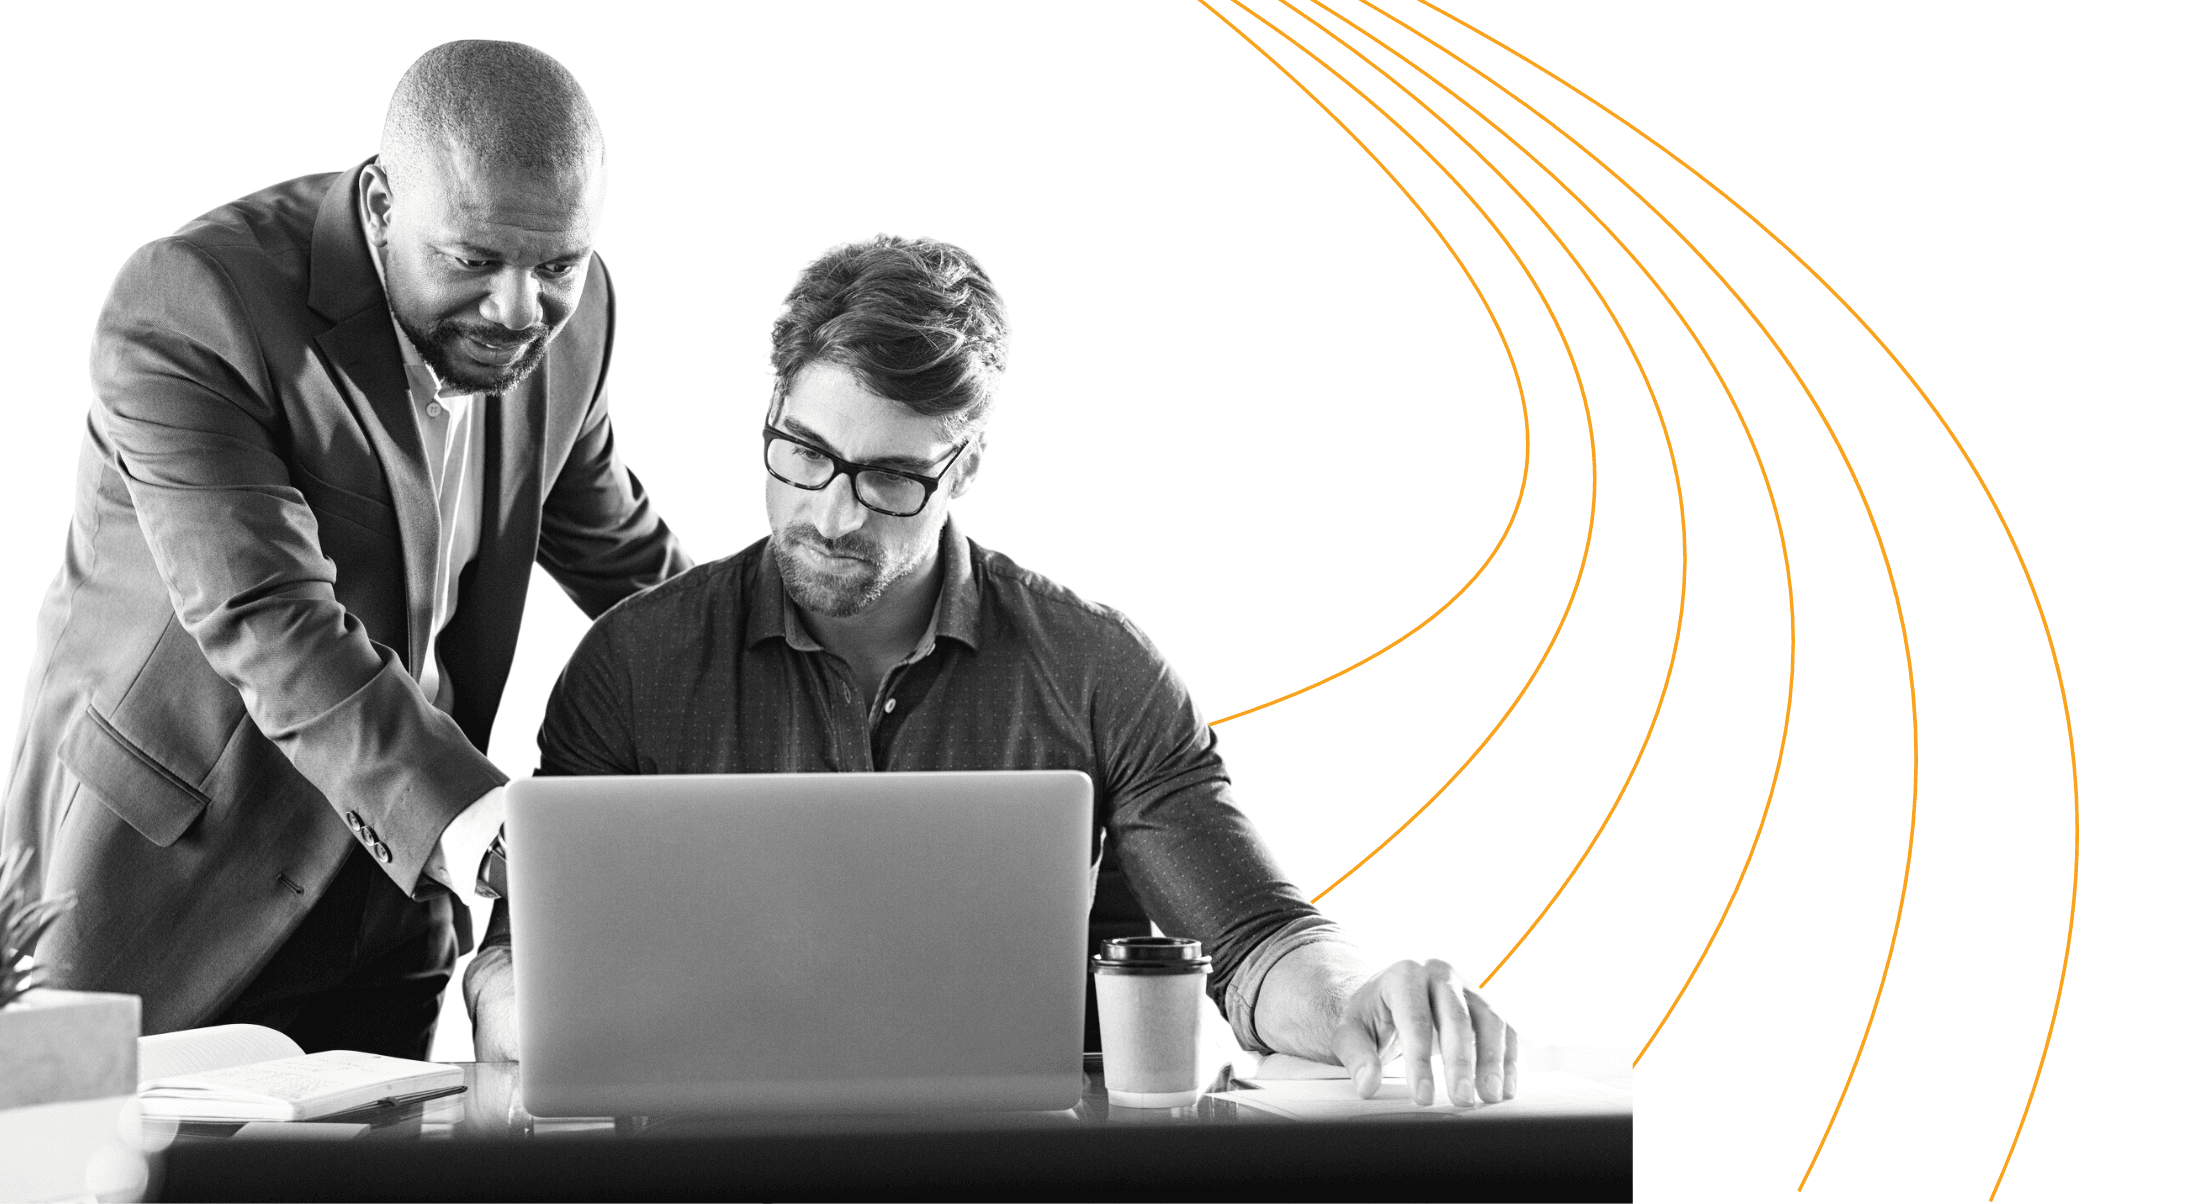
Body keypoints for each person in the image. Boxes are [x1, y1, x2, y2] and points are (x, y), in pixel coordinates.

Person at [467, 235, 1517, 1107]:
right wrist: (522, 1013)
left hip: (1024, 1172)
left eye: (889, 478)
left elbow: (1256, 938)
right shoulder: (633, 666)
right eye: (804, 453)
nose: (830, 514)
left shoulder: (1094, 668)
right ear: (772, 413)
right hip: (713, 1172)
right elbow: (516, 962)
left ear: (963, 466)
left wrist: (1356, 1002)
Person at [0, 41, 688, 1057]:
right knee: (107, 1147)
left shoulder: (574, 324)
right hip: (165, 877)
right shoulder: (192, 302)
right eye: (472, 261)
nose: (519, 309)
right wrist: (481, 823)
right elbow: (267, 615)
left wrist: (787, 682)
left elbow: (630, 567)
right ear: (379, 205)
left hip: (392, 896)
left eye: (556, 266)